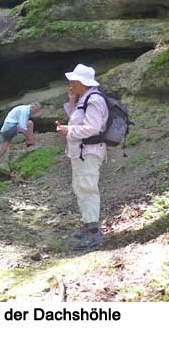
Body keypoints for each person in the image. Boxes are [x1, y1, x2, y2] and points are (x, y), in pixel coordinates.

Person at [56, 64, 109, 250]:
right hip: (81, 152)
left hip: (89, 152)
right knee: (81, 187)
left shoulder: (93, 100)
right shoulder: (84, 98)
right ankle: (88, 224)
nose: (70, 83)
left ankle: (94, 233)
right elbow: (76, 119)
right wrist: (72, 101)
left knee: (87, 188)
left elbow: (92, 128)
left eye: (73, 80)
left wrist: (68, 130)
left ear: (80, 82)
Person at [0, 103, 42, 173]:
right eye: (35, 111)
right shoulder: (24, 111)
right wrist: (30, 138)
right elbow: (22, 127)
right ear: (33, 108)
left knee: (2, 151)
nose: (34, 113)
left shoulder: (23, 109)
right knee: (30, 123)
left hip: (5, 131)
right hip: (9, 129)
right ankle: (30, 142)